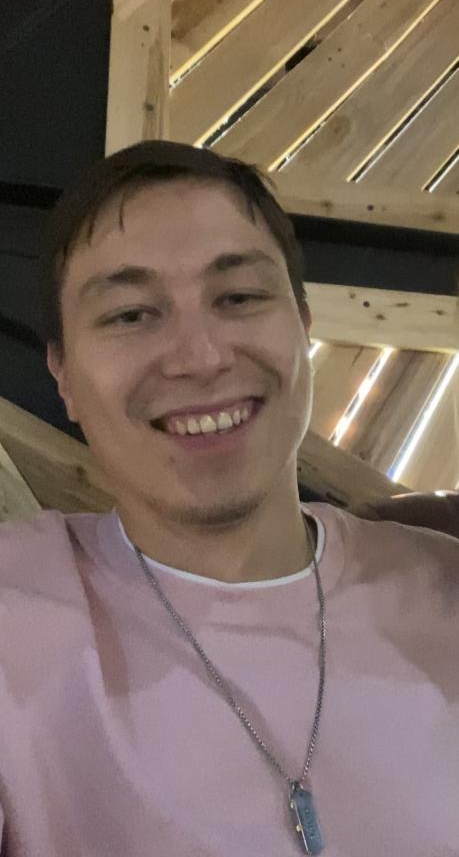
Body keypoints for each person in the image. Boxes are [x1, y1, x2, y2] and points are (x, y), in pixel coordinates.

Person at [0, 140, 457, 857]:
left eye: (239, 297)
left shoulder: (444, 584)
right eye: (130, 314)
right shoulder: (16, 610)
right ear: (62, 374)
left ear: (303, 326)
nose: (201, 357)